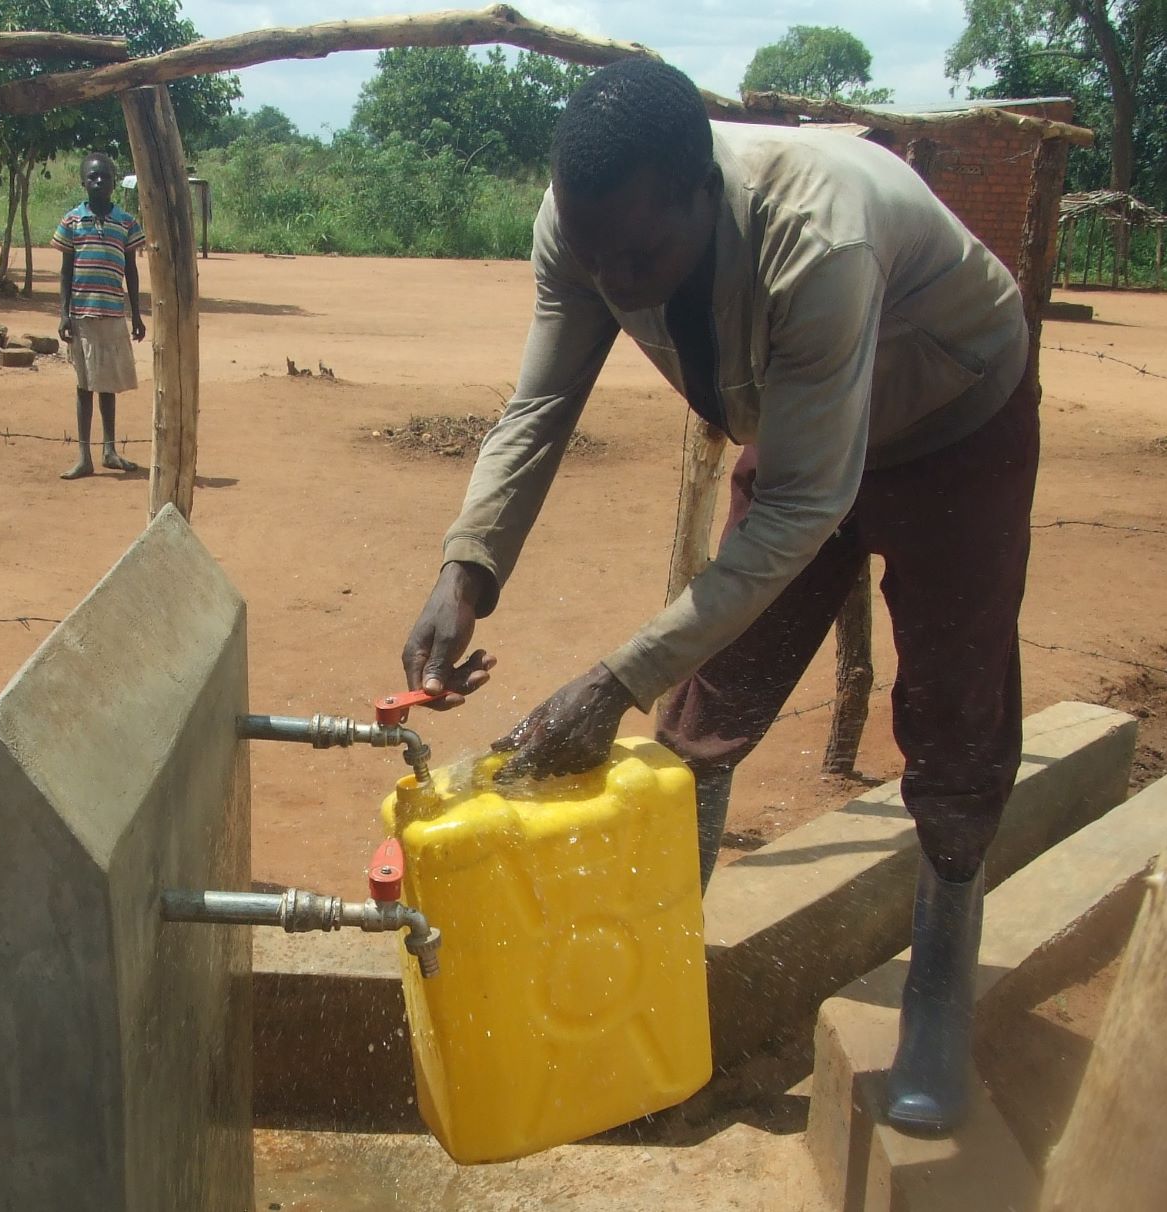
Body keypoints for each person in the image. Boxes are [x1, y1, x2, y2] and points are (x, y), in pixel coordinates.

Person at [398, 59, 1038, 1136]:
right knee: (700, 704)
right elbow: (540, 401)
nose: (622, 283)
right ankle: (646, 1003)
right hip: (800, 432)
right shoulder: (591, 228)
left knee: (955, 713)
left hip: (949, 421)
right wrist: (464, 569)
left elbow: (801, 507)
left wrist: (611, 676)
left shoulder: (811, 233)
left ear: (706, 188)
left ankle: (936, 986)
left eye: (642, 258)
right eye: (599, 263)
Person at [51, 153, 147, 480]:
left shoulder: (126, 222)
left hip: (112, 313)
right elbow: (66, 272)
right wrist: (63, 314)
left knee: (107, 384)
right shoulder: (72, 221)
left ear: (113, 181)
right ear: (83, 182)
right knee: (84, 385)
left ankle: (109, 450)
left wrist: (136, 314)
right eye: (92, 177)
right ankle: (83, 455)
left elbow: (131, 271)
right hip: (82, 314)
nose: (99, 182)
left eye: (104, 177)